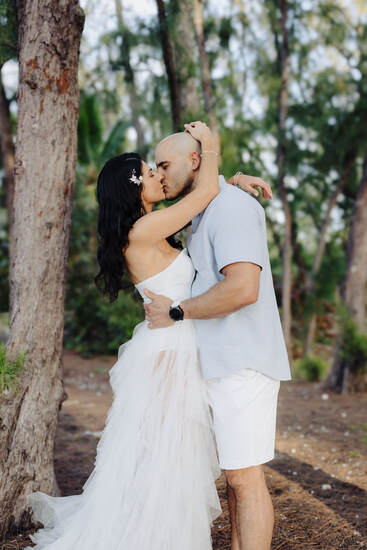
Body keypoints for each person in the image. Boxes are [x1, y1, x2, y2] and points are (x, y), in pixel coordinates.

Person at [23, 121, 270, 550]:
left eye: (158, 168)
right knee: (164, 461)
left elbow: (205, 196)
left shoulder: (155, 226)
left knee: (170, 461)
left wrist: (229, 180)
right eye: (149, 172)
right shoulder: (141, 232)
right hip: (169, 353)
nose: (158, 175)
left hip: (178, 345)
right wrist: (210, 149)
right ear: (132, 190)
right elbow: (204, 194)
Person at [144, 123, 292, 550]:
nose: (160, 173)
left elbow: (244, 288)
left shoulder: (230, 209)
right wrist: (228, 178)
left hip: (242, 363)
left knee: (246, 479)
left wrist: (176, 311)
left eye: (165, 164)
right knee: (235, 478)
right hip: (219, 363)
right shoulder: (208, 206)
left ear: (195, 160)